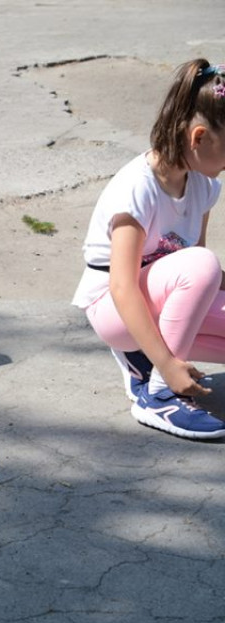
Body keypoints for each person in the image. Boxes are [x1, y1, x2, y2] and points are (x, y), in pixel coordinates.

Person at [72, 58, 225, 439]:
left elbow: (201, 283)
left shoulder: (204, 186)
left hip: (161, 297)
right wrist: (169, 364)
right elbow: (123, 287)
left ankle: (148, 362)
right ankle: (157, 393)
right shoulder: (137, 189)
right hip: (112, 306)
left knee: (201, 267)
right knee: (201, 264)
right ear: (199, 137)